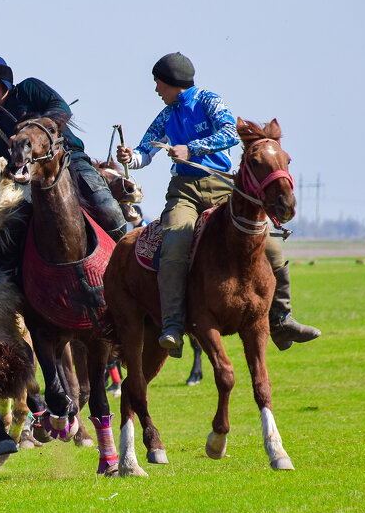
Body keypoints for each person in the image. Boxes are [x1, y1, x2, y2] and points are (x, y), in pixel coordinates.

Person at [117, 52, 320, 356]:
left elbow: (229, 133)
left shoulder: (209, 101)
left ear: (173, 81)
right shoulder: (166, 115)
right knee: (174, 240)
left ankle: (281, 318)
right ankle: (172, 325)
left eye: (158, 82)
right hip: (184, 193)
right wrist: (129, 157)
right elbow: (144, 153)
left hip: (224, 190)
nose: (156, 89)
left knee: (270, 244)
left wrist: (191, 148)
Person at [0, 54, 127, 241]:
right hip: (28, 180)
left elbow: (61, 108)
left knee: (108, 210)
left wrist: (27, 134)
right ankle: (4, 271)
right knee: (10, 232)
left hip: (70, 160)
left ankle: (120, 260)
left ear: (4, 81)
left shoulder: (28, 89)